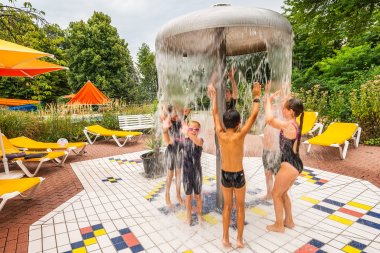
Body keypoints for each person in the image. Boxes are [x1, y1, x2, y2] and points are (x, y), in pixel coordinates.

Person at [208, 78, 261, 248]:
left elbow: (215, 114)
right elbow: (254, 115)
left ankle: (225, 238)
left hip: (224, 174)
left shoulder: (220, 134)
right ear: (239, 124)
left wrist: (214, 96)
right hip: (238, 175)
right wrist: (257, 96)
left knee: (226, 207)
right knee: (240, 208)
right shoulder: (240, 135)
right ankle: (239, 240)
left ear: (225, 123)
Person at [264, 87, 304, 233]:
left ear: (291, 111)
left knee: (276, 194)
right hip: (295, 163)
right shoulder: (294, 123)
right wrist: (286, 98)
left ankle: (279, 225)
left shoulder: (287, 125)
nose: (282, 110)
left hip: (289, 165)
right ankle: (289, 221)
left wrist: (268, 101)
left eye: (285, 109)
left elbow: (269, 120)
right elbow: (286, 108)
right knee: (283, 193)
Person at [163, 119, 204, 225]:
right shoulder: (182, 141)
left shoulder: (200, 140)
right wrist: (164, 131)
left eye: (196, 129)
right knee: (188, 197)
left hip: (197, 173)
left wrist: (188, 133)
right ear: (187, 129)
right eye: (191, 128)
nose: (194, 131)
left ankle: (200, 217)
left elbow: (197, 142)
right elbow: (169, 142)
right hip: (186, 173)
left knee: (198, 196)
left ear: (199, 131)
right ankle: (188, 217)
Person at [162, 105, 185, 208]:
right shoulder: (169, 123)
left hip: (180, 151)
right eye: (174, 112)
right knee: (170, 175)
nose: (177, 114)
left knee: (178, 174)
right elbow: (166, 138)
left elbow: (187, 109)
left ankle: (178, 195)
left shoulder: (181, 120)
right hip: (171, 151)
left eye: (177, 112)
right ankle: (167, 195)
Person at [261, 124, 281, 200]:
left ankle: (278, 195)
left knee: (277, 175)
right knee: (268, 174)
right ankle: (269, 194)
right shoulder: (267, 124)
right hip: (266, 151)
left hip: (276, 152)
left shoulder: (279, 122)